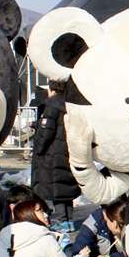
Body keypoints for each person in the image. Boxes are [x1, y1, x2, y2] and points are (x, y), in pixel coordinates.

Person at [31, 80, 82, 222]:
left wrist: (38, 150)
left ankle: (61, 220)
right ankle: (69, 220)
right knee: (66, 187)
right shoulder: (71, 104)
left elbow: (47, 131)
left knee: (55, 188)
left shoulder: (52, 104)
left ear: (52, 88)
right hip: (68, 150)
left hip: (52, 153)